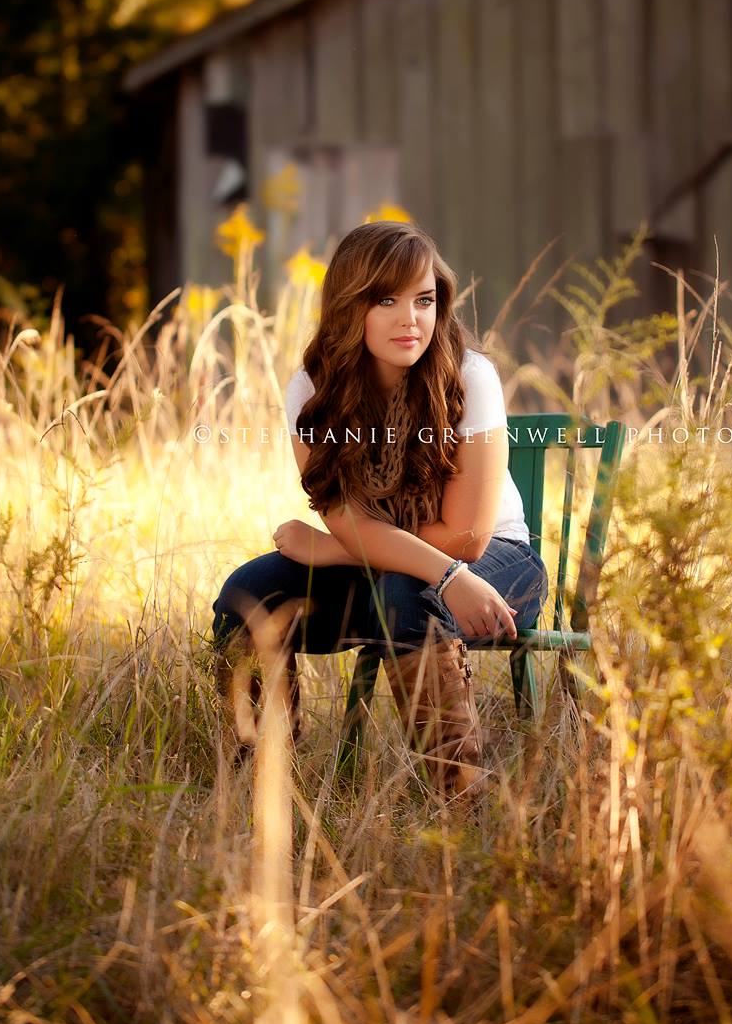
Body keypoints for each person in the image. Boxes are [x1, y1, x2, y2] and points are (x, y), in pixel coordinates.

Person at [211, 219, 549, 800]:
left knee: (404, 592)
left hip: (499, 565)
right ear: (350, 306)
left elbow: (467, 537)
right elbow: (354, 519)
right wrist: (361, 548)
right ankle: (263, 789)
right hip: (382, 568)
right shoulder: (314, 389)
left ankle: (461, 798)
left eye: (423, 299)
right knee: (250, 593)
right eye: (386, 299)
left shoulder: (469, 376)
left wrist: (331, 551)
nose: (410, 318)